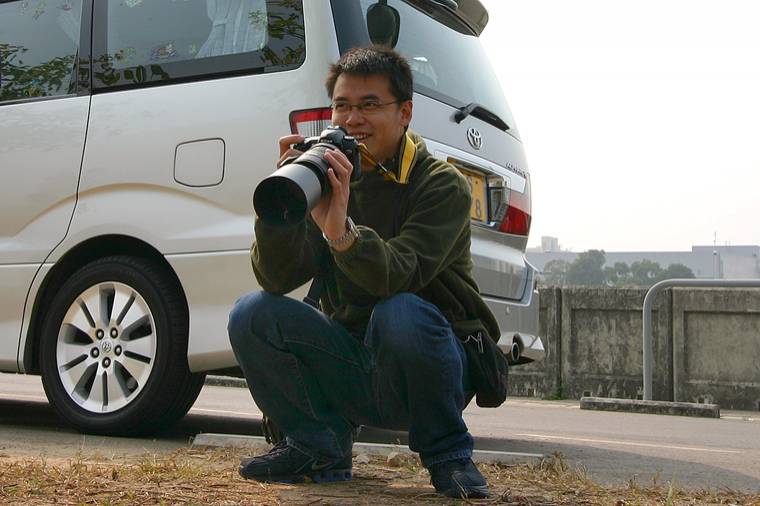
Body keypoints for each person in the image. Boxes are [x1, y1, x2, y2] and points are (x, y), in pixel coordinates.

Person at [227, 45, 501, 499]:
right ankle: (318, 447)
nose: (352, 119)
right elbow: (275, 280)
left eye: (369, 105)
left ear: (405, 113)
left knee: (400, 311)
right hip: (353, 362)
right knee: (251, 313)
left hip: (432, 364)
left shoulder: (441, 184)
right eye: (342, 105)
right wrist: (283, 208)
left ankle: (449, 454)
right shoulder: (328, 175)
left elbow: (397, 275)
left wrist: (341, 233)